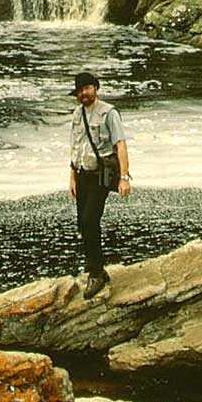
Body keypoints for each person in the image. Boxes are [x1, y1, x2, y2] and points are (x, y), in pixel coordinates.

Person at [68, 69, 131, 299]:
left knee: (89, 220)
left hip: (100, 176)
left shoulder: (108, 113)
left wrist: (124, 178)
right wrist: (72, 177)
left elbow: (120, 145)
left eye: (87, 88)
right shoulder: (77, 114)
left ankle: (95, 273)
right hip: (82, 174)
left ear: (95, 88)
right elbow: (75, 147)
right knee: (82, 224)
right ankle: (97, 269)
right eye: (80, 90)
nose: (83, 93)